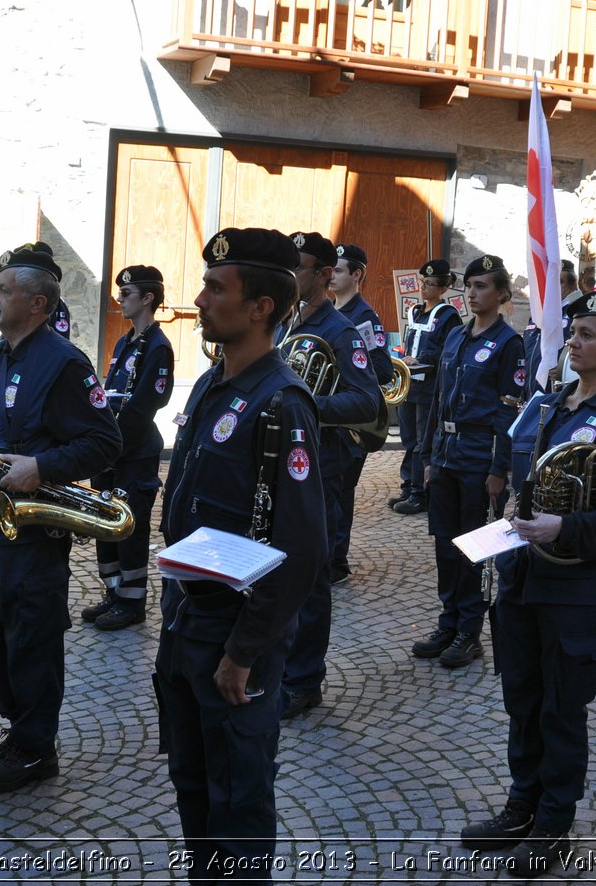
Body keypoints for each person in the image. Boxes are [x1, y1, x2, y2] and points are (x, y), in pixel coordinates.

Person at [460, 289, 596, 876]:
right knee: (521, 698)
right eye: (572, 331)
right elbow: (527, 479)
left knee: (561, 708)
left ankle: (552, 825)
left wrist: (564, 525)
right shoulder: (547, 406)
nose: (573, 340)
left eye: (588, 334)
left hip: (573, 588)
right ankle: (521, 806)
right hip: (521, 577)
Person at [155, 227, 326, 885]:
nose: (199, 298)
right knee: (195, 787)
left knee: (238, 804)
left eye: (215, 288)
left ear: (259, 307)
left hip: (232, 637)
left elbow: (301, 548)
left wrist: (245, 649)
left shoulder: (282, 403)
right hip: (187, 623)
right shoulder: (210, 385)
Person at [0, 243, 121, 794]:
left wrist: (42, 466)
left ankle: (36, 750)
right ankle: (19, 730)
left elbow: (105, 441)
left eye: (3, 291)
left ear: (37, 303)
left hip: (29, 532)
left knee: (31, 640)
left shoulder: (64, 364)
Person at [277, 232, 381, 719]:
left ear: (323, 275)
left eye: (297, 269)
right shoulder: (284, 322)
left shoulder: (341, 331)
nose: (289, 278)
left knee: (311, 578)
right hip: (284, 461)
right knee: (278, 570)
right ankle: (281, 665)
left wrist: (305, 405)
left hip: (321, 465)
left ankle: (304, 680)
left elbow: (368, 401)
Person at [414, 254, 524, 670]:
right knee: (445, 543)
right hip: (445, 454)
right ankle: (449, 619)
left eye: (482, 287)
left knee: (474, 546)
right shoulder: (457, 337)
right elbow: (440, 399)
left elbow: (508, 412)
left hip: (479, 457)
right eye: (470, 286)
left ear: (501, 295)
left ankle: (470, 630)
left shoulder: (507, 344)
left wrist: (500, 469)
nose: (473, 294)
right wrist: (427, 457)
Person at [82, 264, 175, 631]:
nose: (119, 299)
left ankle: (132, 601)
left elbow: (144, 406)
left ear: (147, 298)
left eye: (126, 294)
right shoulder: (124, 341)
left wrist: (111, 445)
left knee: (130, 526)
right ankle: (114, 591)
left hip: (133, 450)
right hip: (110, 449)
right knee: (104, 520)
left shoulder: (158, 346)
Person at [326, 241, 393, 583]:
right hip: (330, 419)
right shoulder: (329, 309)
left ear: (357, 275)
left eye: (338, 270)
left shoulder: (362, 317)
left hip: (350, 422)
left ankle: (336, 561)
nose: (332, 276)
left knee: (339, 492)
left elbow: (381, 369)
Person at [391, 259, 461, 516]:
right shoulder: (415, 311)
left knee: (423, 440)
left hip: (429, 388)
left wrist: (423, 358)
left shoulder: (448, 316)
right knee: (408, 438)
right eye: (422, 282)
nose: (424, 287)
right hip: (409, 384)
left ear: (442, 288)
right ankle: (408, 485)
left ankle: (421, 493)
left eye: (430, 284)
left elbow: (449, 351)